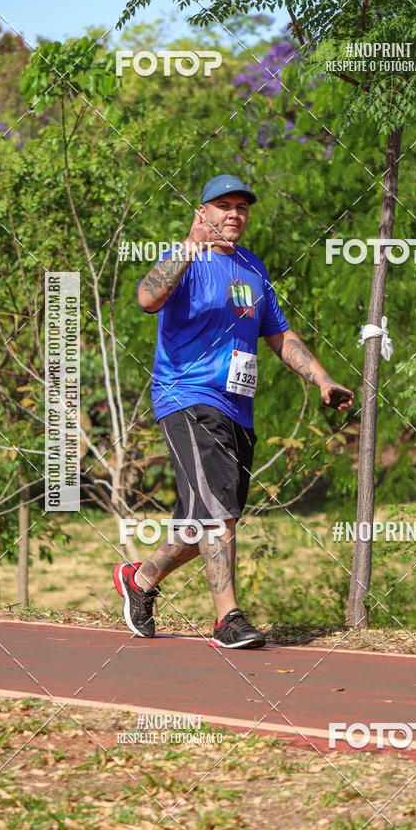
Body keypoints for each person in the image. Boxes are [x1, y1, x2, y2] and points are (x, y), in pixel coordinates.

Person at [113, 174, 354, 648]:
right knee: (218, 513)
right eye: (223, 206)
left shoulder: (253, 267)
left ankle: (138, 580)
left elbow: (279, 335)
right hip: (186, 397)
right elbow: (146, 298)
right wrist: (186, 245)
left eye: (242, 208)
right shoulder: (187, 259)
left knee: (203, 522)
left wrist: (323, 378)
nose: (234, 215)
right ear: (201, 211)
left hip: (237, 409)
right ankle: (228, 618)